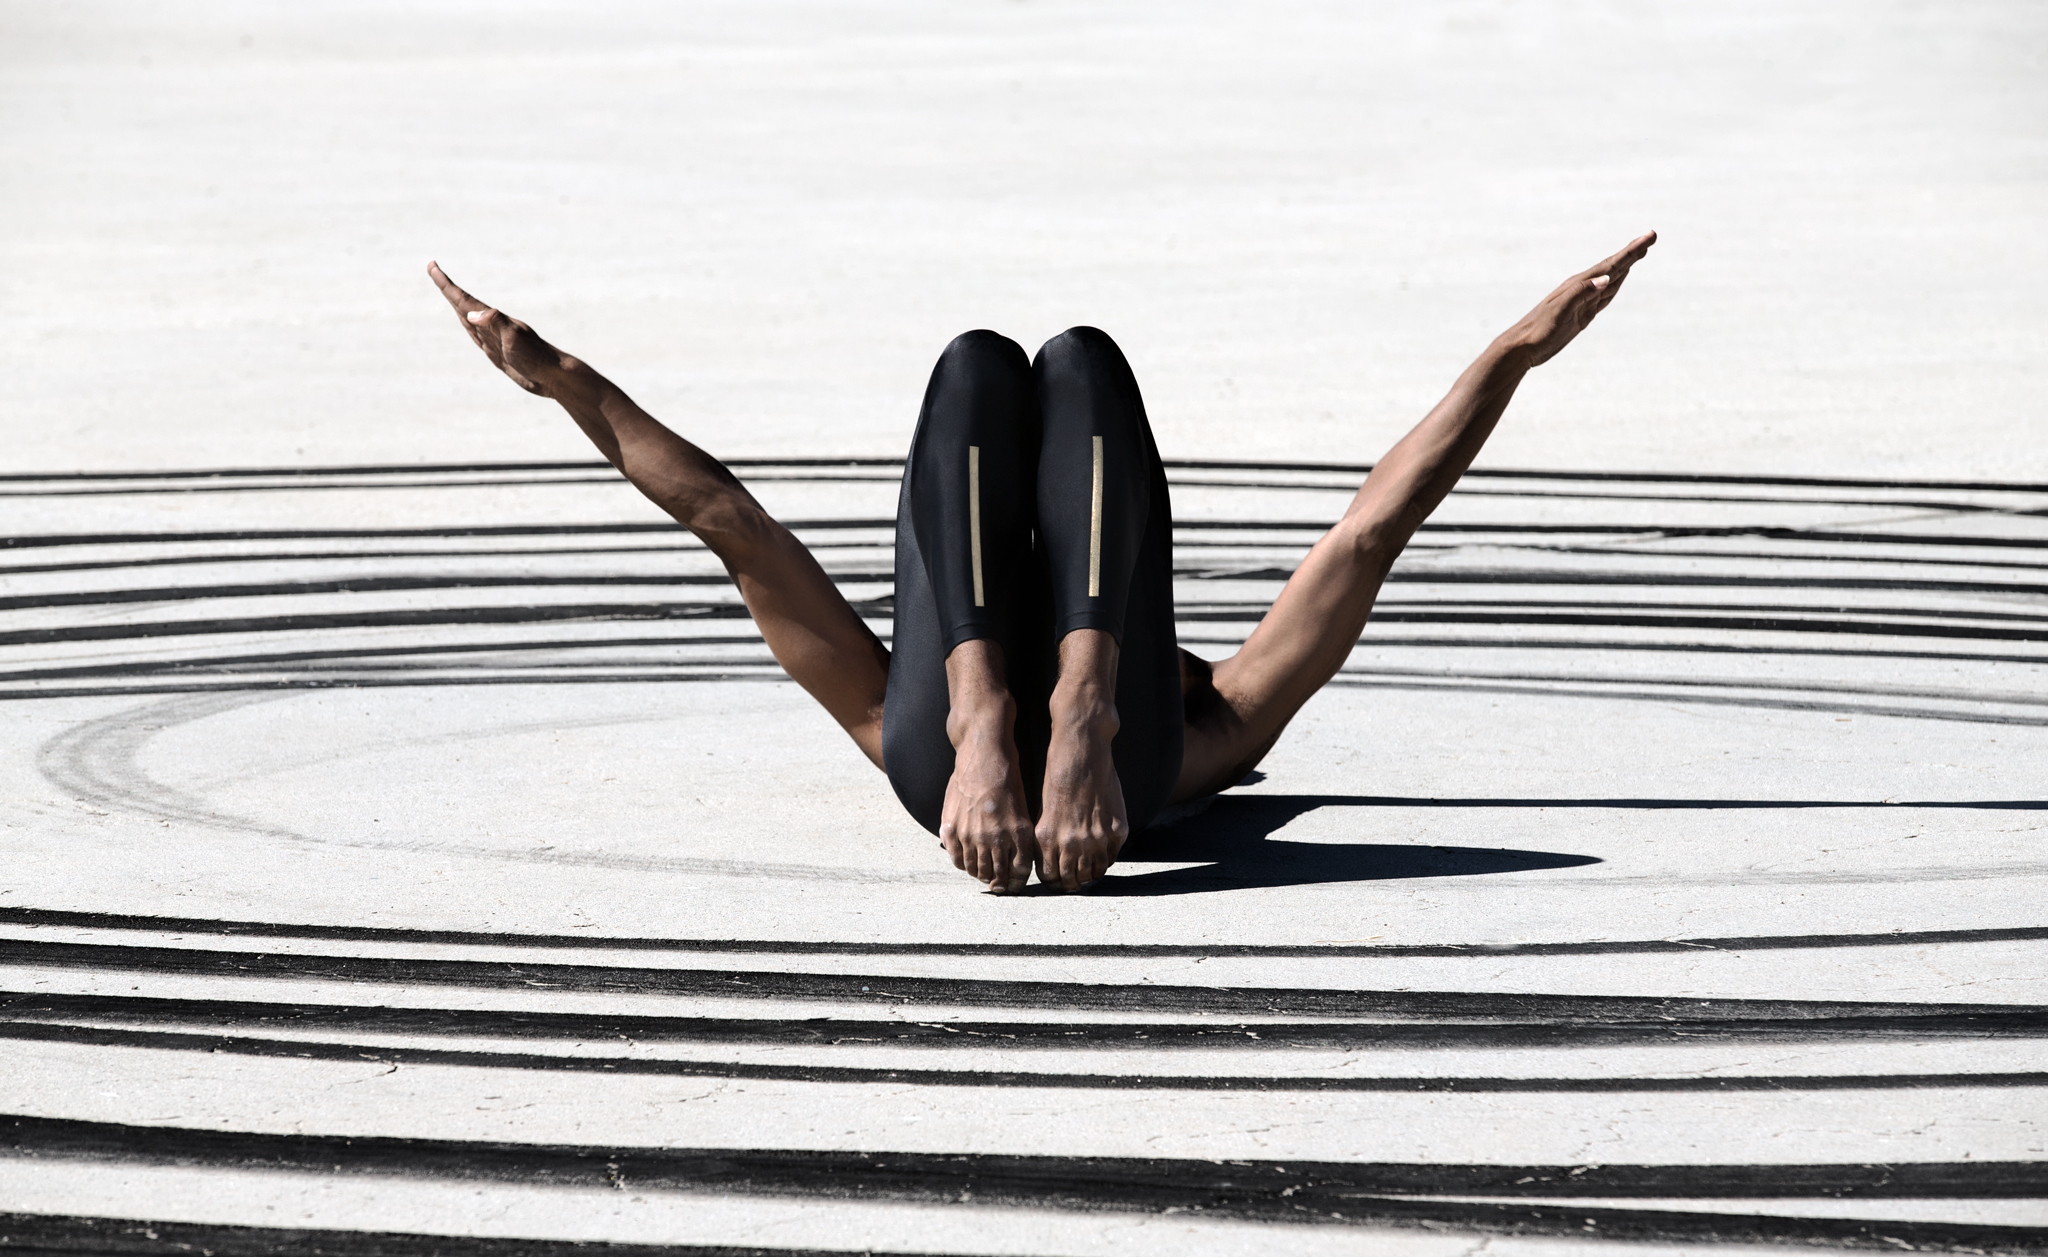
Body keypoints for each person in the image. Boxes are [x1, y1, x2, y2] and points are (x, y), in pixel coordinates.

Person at [428, 233, 1655, 893]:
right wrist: (1508, 356)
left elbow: (726, 519)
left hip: (948, 753)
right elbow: (1367, 535)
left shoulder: (909, 720)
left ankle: (1004, 699)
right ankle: (1074, 698)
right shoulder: (1211, 735)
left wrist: (563, 381)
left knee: (990, 363)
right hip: (1089, 752)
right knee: (1072, 364)